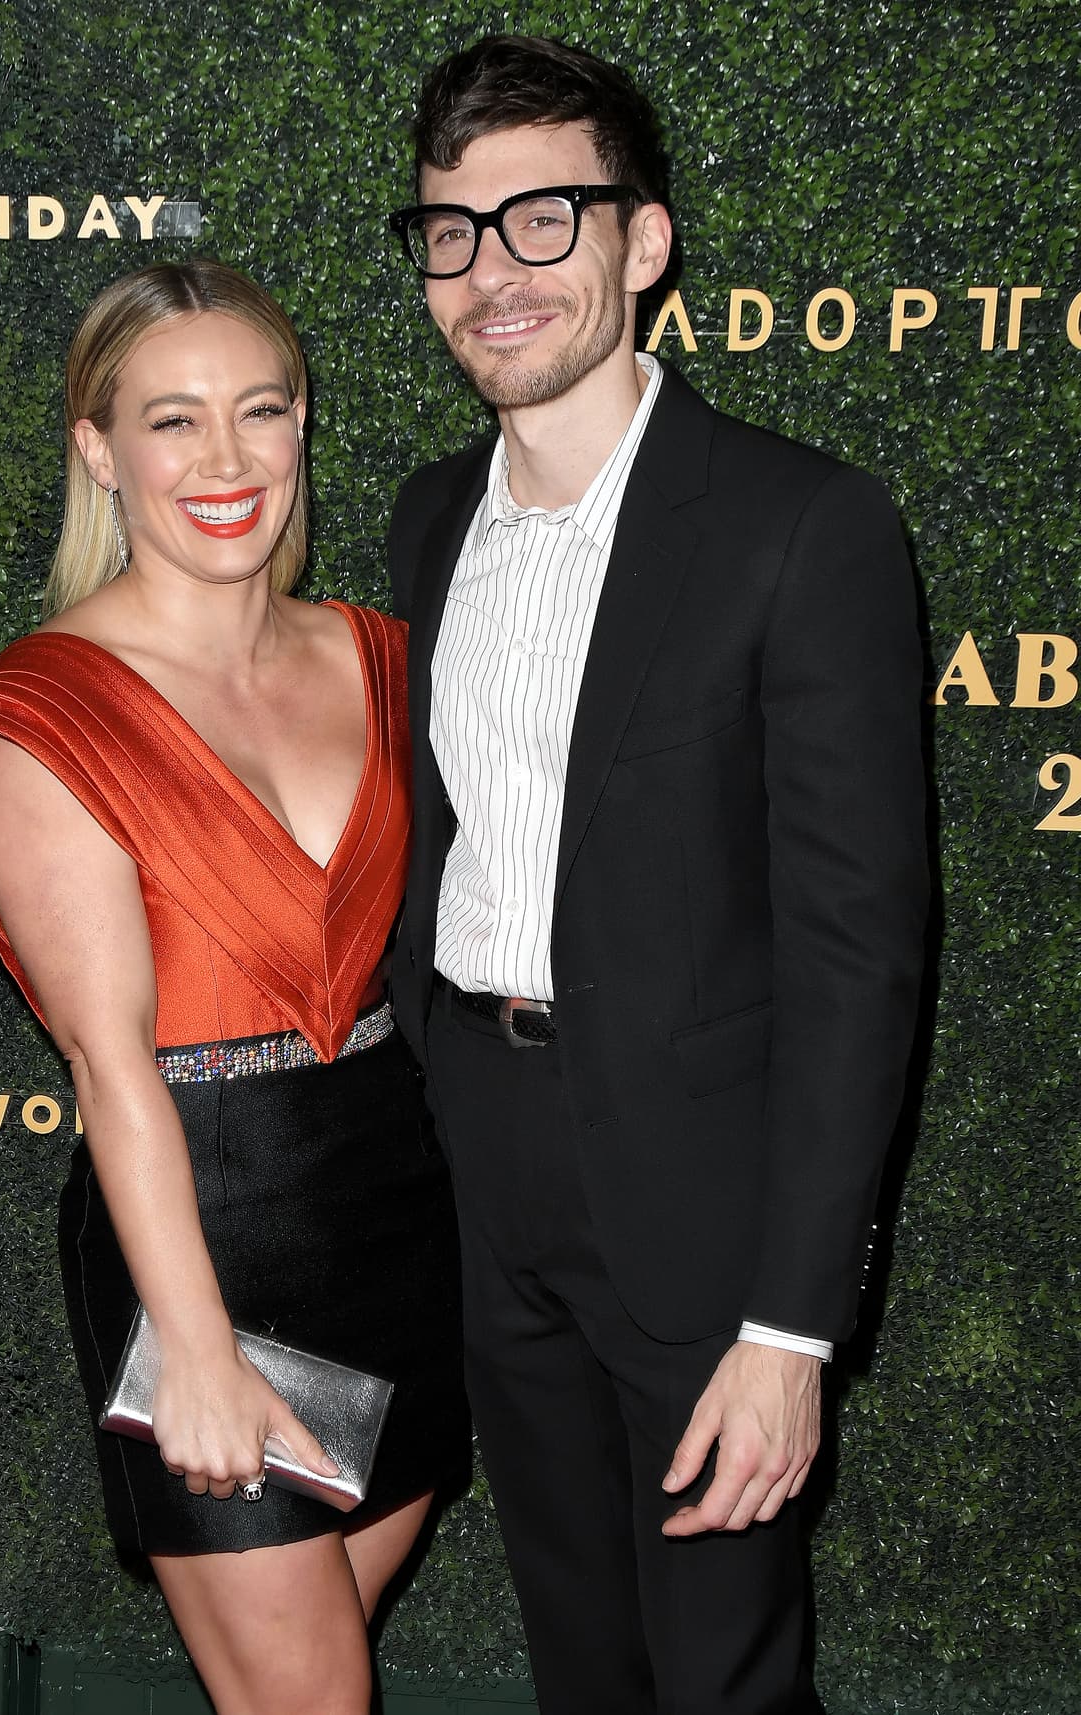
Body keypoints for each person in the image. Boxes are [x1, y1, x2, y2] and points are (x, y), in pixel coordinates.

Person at [385, 34, 928, 1715]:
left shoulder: (799, 525)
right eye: (454, 232)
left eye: (546, 220)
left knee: (719, 1677)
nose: (496, 273)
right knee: (581, 1655)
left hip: (703, 1198)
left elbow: (861, 955)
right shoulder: (421, 522)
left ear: (647, 241)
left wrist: (791, 1331)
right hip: (480, 1154)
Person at [0, 260, 467, 1715]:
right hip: (207, 1238)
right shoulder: (48, 714)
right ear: (100, 451)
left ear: (302, 430)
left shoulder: (387, 658)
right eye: (173, 422)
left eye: (261, 411)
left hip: (409, 1221)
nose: (225, 462)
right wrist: (202, 1357)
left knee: (296, 1686)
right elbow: (111, 1072)